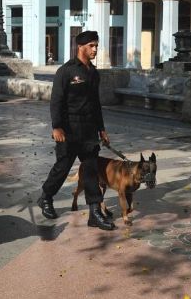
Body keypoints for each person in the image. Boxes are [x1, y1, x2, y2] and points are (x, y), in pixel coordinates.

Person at [37, 30, 115, 231]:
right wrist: (56, 126)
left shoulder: (93, 73)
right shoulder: (66, 71)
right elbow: (56, 101)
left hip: (89, 130)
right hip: (68, 129)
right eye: (91, 46)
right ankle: (46, 196)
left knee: (90, 170)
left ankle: (95, 213)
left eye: (96, 45)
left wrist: (102, 129)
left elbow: (95, 103)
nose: (95, 49)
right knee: (63, 167)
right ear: (80, 47)